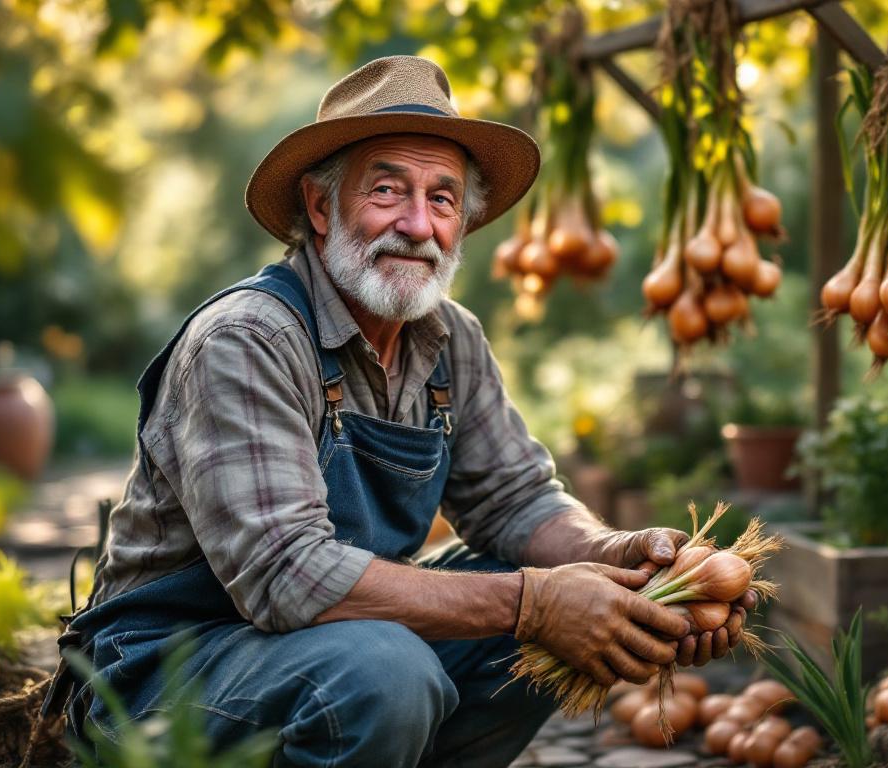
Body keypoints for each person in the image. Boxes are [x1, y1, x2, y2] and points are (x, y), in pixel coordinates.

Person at [57, 56, 754, 767]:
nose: (418, 225)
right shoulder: (248, 340)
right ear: (321, 207)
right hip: (160, 677)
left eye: (443, 199)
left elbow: (517, 501)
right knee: (386, 672)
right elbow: (287, 576)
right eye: (388, 190)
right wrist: (537, 602)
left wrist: (616, 561)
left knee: (527, 634)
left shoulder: (451, 340)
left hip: (319, 650)